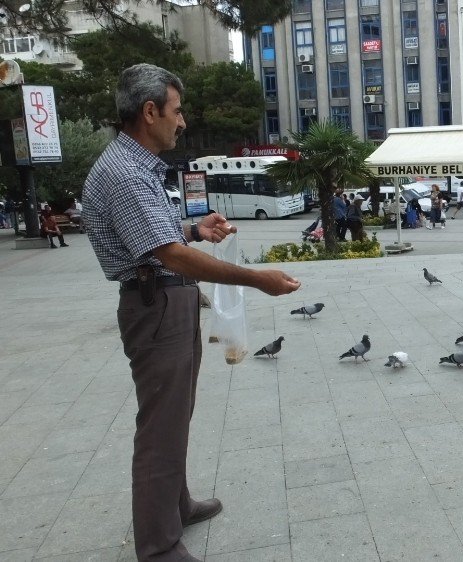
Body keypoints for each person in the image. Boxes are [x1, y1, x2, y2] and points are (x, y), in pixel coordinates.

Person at [82, 64, 300, 562]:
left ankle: (175, 505)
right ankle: (158, 547)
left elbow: (160, 236)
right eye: (176, 111)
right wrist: (257, 279)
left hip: (163, 300)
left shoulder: (134, 167)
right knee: (160, 426)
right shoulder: (126, 173)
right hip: (155, 303)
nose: (182, 123)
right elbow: (168, 254)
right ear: (150, 111)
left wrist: (195, 228)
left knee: (175, 415)